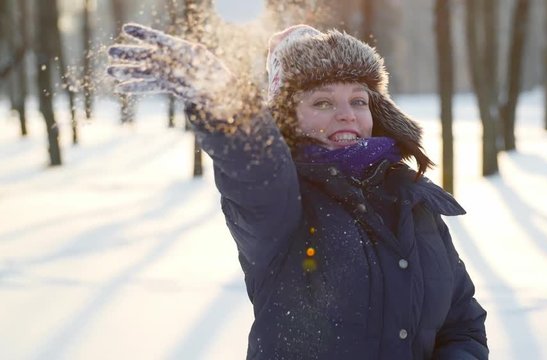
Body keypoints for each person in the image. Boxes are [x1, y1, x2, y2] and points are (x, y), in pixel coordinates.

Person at [107, 22, 489, 360]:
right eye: (322, 101)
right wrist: (223, 101)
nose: (347, 114)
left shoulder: (413, 201)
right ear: (287, 118)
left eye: (358, 100)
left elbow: (462, 322)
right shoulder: (281, 203)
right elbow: (253, 167)